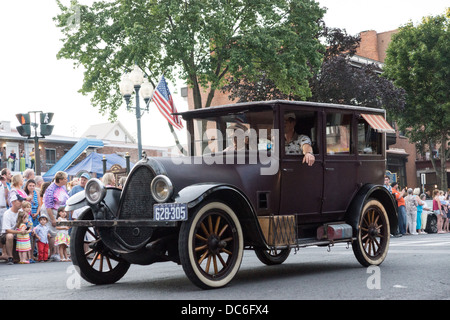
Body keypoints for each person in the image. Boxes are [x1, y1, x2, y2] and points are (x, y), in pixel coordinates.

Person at [43, 171, 69, 261]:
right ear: (60, 179)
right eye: (65, 178)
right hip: (52, 211)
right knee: (54, 233)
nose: (67, 180)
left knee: (60, 233)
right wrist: (53, 219)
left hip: (61, 211)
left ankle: (60, 253)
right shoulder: (50, 189)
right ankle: (54, 253)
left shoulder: (63, 187)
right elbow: (48, 206)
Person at [0, 192, 24, 264]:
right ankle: (10, 257)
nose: (21, 203)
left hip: (17, 234)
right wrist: (20, 232)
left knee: (17, 260)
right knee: (10, 236)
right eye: (19, 201)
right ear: (13, 202)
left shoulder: (21, 212)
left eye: (21, 201)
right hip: (6, 235)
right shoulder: (7, 213)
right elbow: (7, 230)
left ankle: (29, 256)